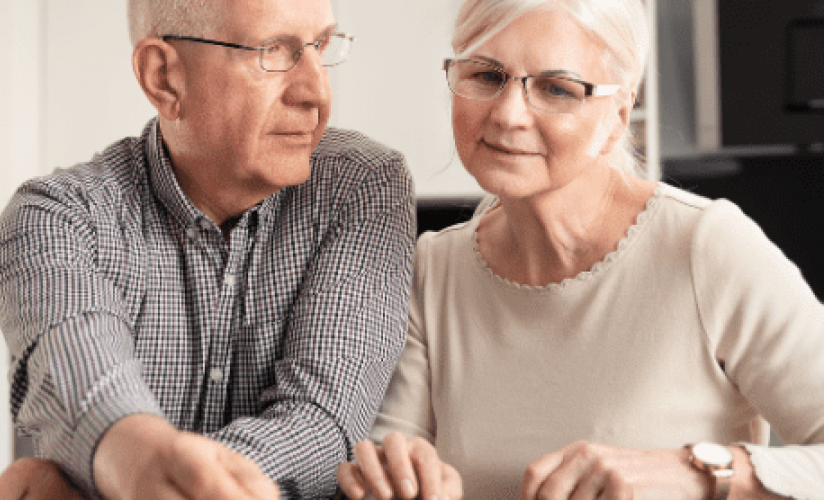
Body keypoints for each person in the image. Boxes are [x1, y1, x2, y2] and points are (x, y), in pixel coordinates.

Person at [337, 0, 824, 498]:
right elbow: (390, 458)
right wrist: (389, 478)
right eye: (486, 76)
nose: (507, 115)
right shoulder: (432, 268)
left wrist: (696, 473)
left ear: (617, 115)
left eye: (556, 88)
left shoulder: (704, 246)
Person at [0, 0, 416, 498]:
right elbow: (96, 401)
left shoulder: (362, 185)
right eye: (273, 51)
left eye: (320, 46)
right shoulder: (57, 217)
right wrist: (129, 457)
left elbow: (322, 429)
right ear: (164, 78)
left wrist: (113, 479)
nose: (318, 93)